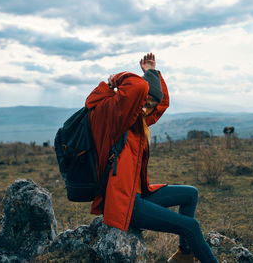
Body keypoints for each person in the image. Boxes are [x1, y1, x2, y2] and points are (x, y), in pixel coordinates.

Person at [85, 53, 218, 263]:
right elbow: (137, 89)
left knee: (190, 194)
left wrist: (152, 73)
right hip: (124, 203)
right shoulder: (114, 116)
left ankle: (183, 255)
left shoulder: (138, 121)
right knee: (191, 227)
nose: (147, 107)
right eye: (145, 101)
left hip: (137, 194)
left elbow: (162, 102)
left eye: (151, 104)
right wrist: (116, 78)